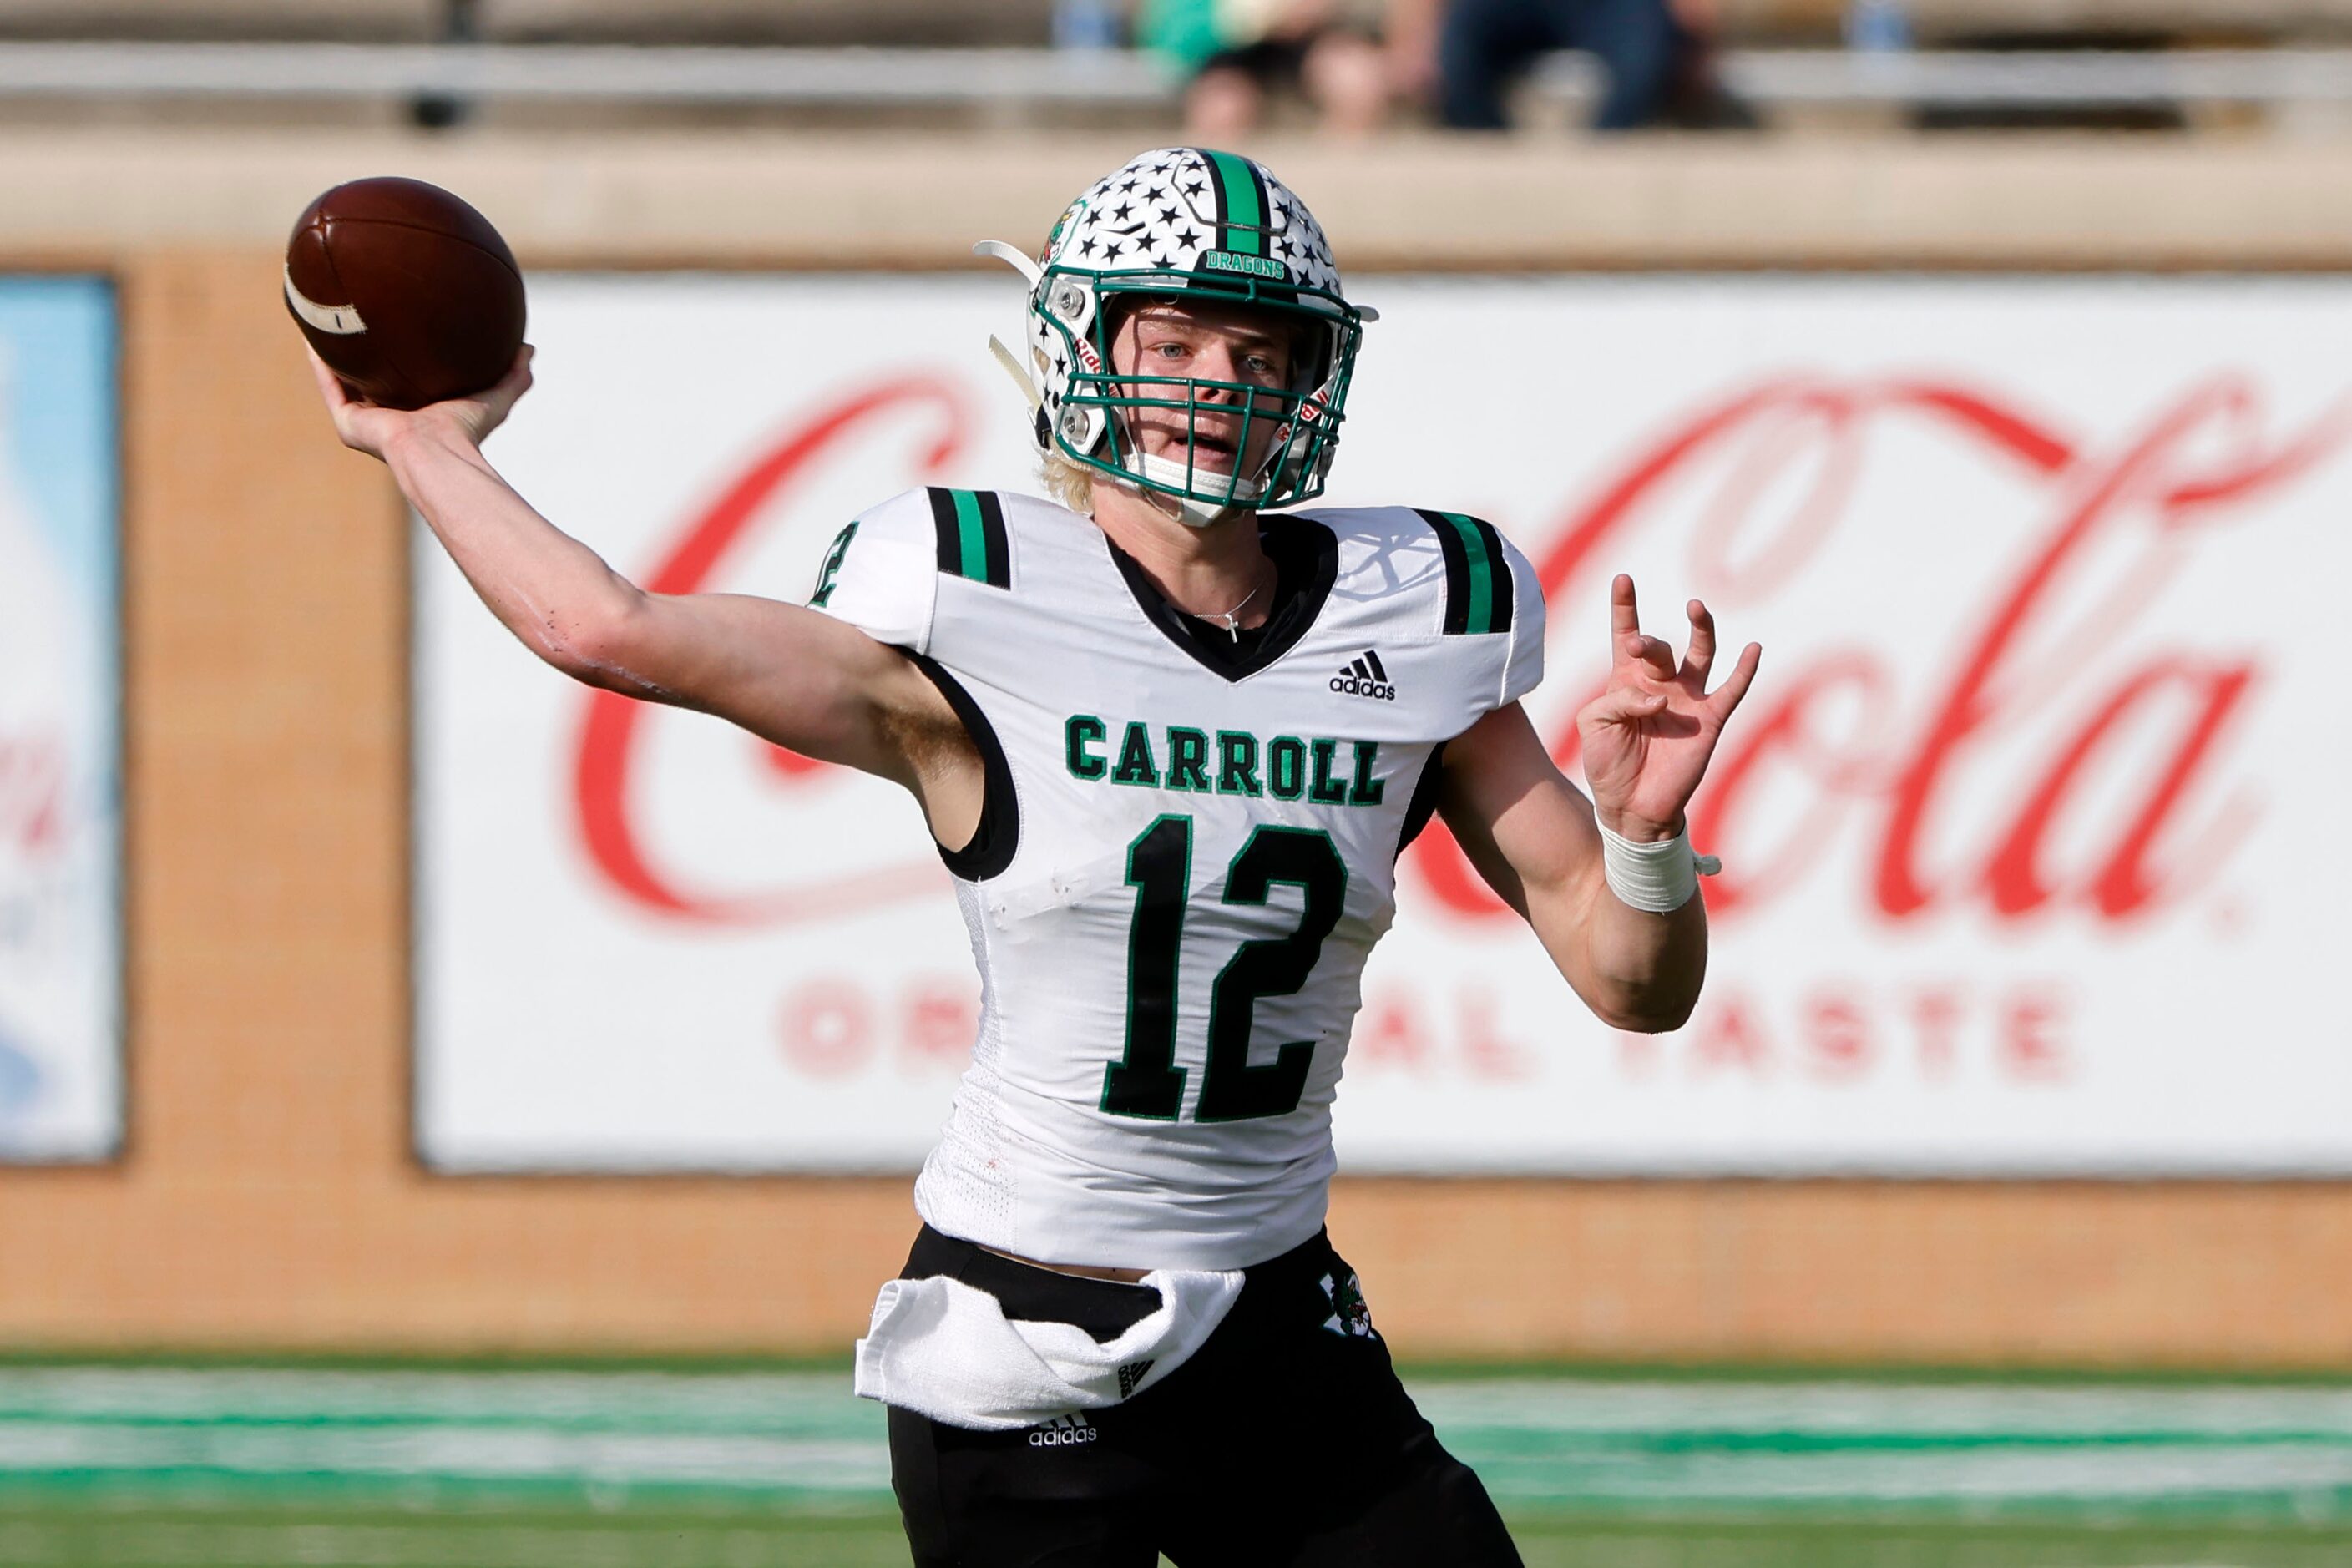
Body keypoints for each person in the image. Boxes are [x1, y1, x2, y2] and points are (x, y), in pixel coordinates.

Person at [309, 146, 1758, 1566]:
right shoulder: (982, 603)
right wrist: (423, 440)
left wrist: (1642, 834)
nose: (1218, 382)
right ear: (1078, 345)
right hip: (1017, 1349)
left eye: (1261, 352)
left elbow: (1635, 982)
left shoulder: (1414, 611)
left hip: (1278, 1323)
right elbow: (607, 629)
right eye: (1174, 336)